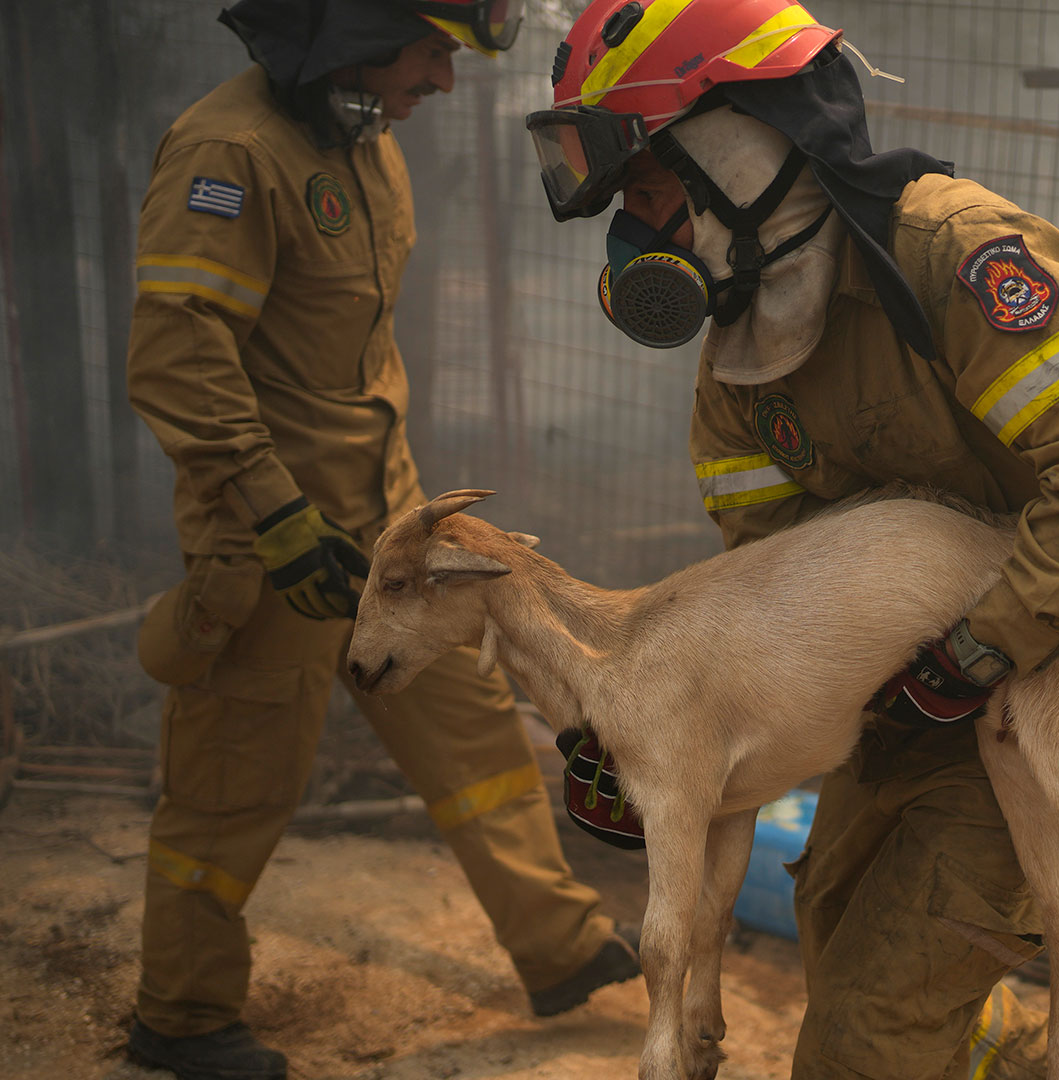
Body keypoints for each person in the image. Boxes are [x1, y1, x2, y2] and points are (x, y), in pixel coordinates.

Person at [528, 0, 1059, 1075]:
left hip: (1032, 691)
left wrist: (984, 644)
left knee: (861, 1040)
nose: (636, 235)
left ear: (735, 152)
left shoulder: (954, 258)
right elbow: (770, 598)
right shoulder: (739, 364)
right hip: (890, 713)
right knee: (855, 966)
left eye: (648, 187)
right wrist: (657, 737)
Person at [124, 3, 643, 1077]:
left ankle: (557, 949)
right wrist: (273, 515)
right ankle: (180, 1016)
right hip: (268, 542)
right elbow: (179, 353)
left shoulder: (364, 144)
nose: (445, 82)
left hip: (389, 527)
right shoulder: (230, 154)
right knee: (236, 776)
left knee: (471, 726)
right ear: (359, 28)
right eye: (435, 52)